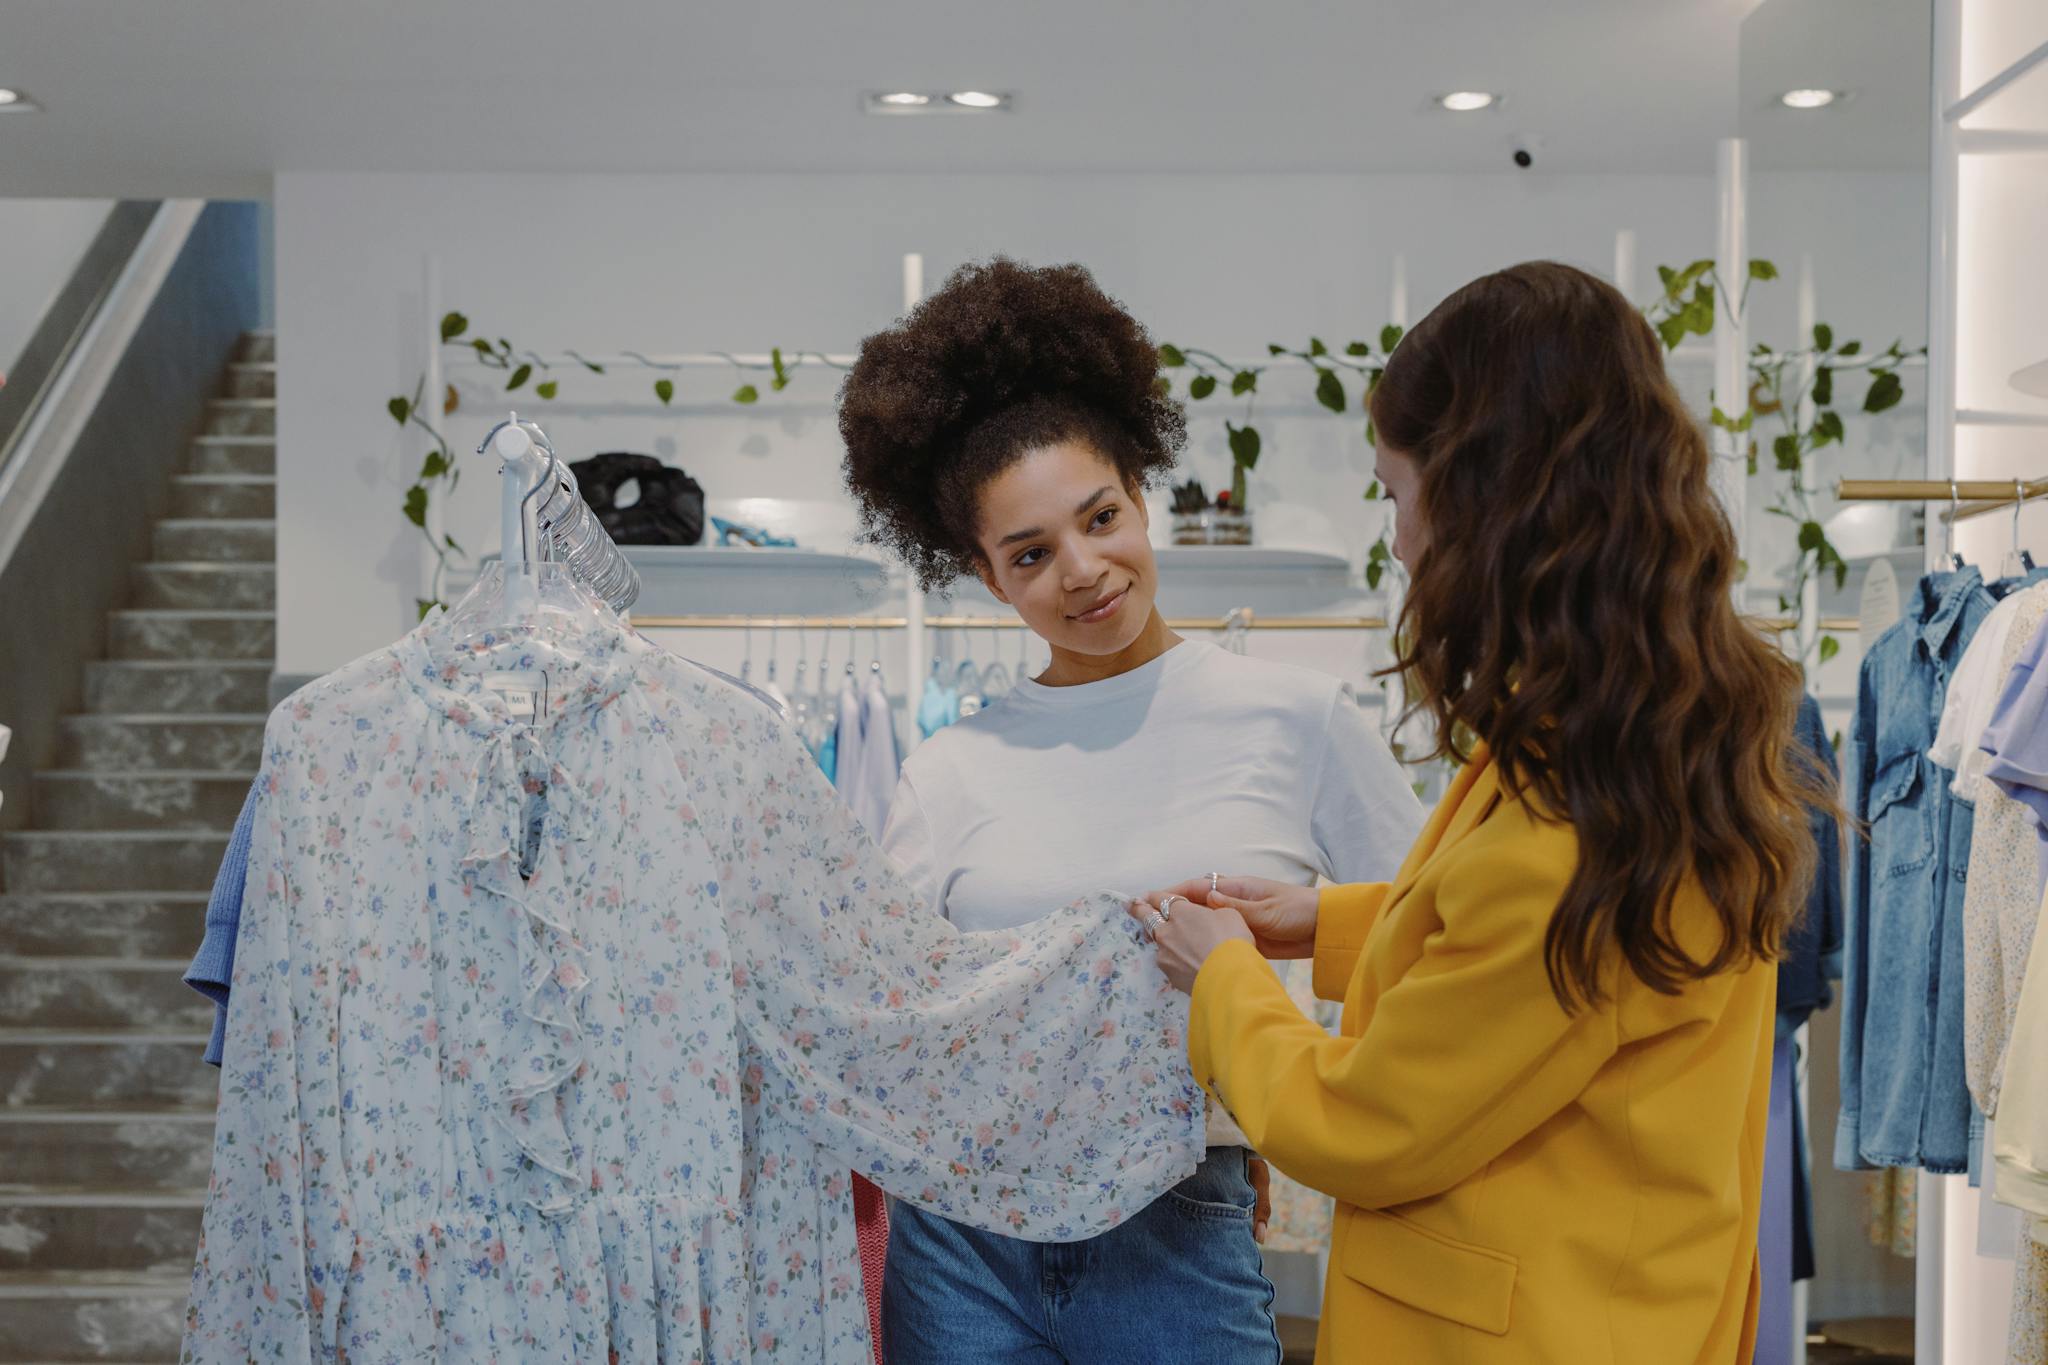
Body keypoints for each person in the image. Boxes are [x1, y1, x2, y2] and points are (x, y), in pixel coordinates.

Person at [1135, 261, 1827, 1364]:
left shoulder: (1571, 817)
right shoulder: (1638, 738)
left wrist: (1225, 976)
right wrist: (1333, 924)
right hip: (1616, 1299)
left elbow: (1360, 1123)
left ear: (1481, 503)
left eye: (1394, 493)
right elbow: (1546, 987)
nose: (1399, 542)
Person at [838, 258, 1424, 1363]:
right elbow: (891, 1013)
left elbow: (1423, 943)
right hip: (962, 1240)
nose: (1083, 569)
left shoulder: (1297, 722)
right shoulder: (949, 769)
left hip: (1177, 1220)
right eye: (1029, 553)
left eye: (1099, 517)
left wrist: (1303, 1109)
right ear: (984, 573)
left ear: (1140, 492)